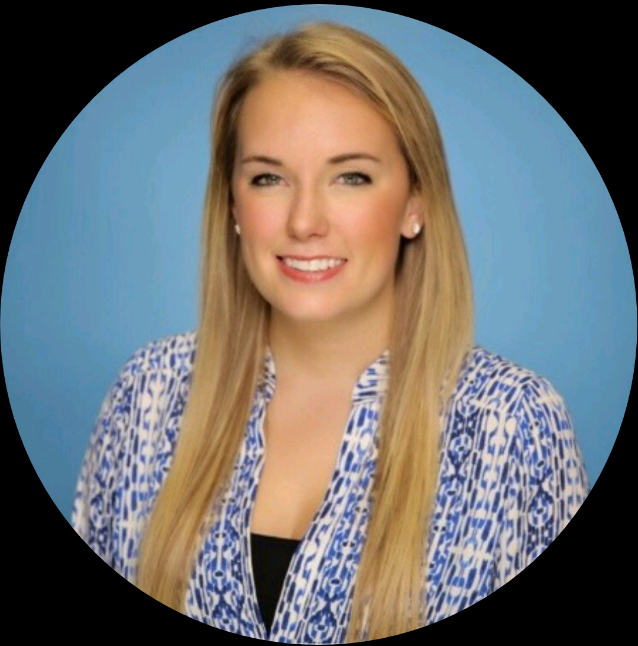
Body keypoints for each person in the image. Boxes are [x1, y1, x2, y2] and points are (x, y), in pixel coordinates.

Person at [72, 22, 589, 642]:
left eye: (351, 177)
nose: (304, 221)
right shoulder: (148, 395)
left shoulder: (513, 423)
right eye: (268, 178)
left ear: (415, 202)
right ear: (232, 205)